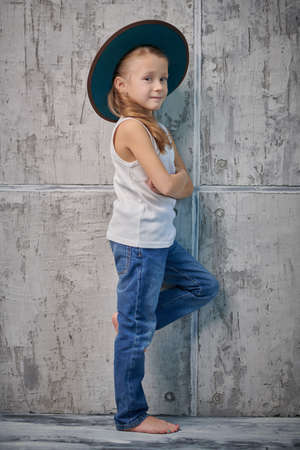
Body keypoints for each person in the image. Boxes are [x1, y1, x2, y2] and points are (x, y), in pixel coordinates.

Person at [87, 20, 220, 435]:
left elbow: (185, 184)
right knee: (134, 335)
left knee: (204, 286)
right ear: (122, 85)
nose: (159, 86)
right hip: (139, 242)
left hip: (160, 239)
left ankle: (130, 321)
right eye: (148, 78)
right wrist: (174, 184)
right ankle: (130, 416)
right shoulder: (129, 128)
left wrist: (175, 184)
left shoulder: (158, 129)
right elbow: (169, 183)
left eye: (162, 78)